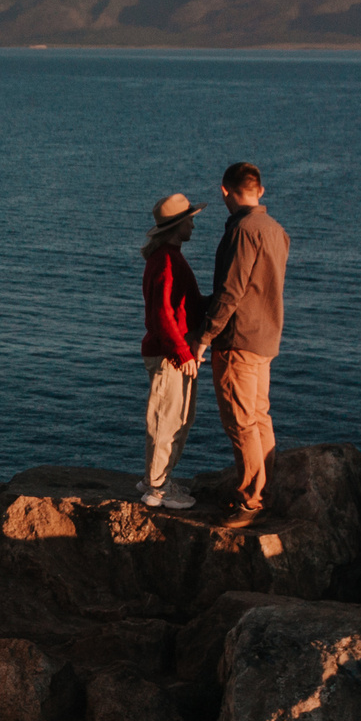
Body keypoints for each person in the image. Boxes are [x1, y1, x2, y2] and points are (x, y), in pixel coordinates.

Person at [194, 160, 290, 515]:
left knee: (241, 421)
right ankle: (267, 489)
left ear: (224, 191)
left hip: (239, 340)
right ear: (260, 190)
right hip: (266, 337)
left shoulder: (243, 230)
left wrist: (205, 336)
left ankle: (250, 499)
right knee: (260, 416)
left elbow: (231, 291)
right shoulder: (276, 230)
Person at [137, 193, 205, 508]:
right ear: (177, 226)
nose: (193, 223)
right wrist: (183, 352)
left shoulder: (167, 256)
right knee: (169, 418)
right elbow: (163, 315)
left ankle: (157, 478)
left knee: (173, 417)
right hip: (169, 353)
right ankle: (157, 488)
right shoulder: (166, 259)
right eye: (189, 219)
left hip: (169, 351)